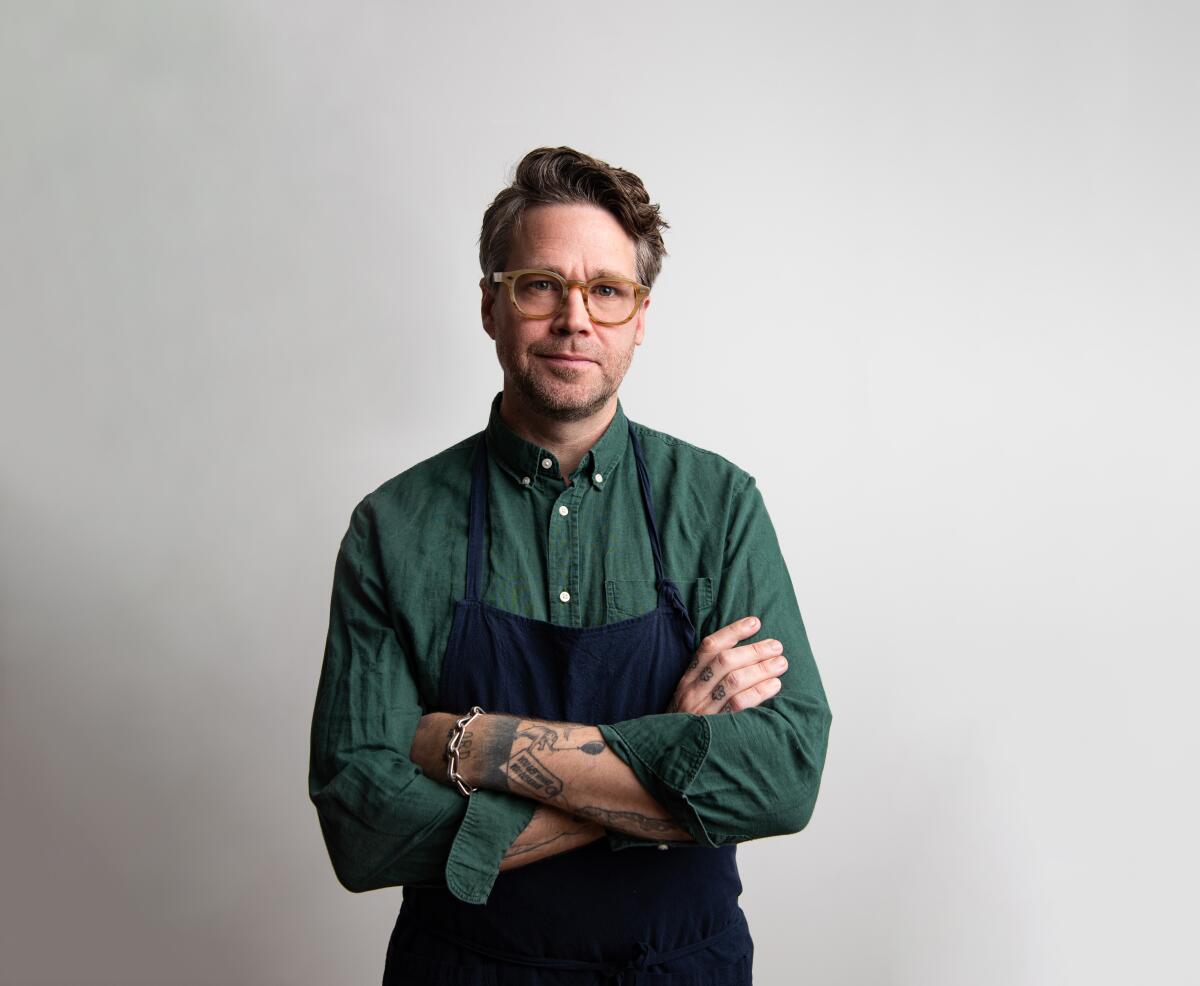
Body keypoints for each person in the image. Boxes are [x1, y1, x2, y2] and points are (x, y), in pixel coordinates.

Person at [309, 146, 832, 985]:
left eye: (607, 290)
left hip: (681, 971)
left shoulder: (721, 506)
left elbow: (785, 777)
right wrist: (673, 752)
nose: (575, 318)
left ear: (641, 314)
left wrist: (475, 746)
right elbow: (362, 825)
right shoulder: (393, 528)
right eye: (541, 284)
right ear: (492, 305)